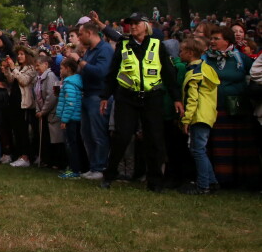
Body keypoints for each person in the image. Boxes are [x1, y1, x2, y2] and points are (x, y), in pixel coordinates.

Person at [100, 12, 183, 192]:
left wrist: (176, 98)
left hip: (152, 96)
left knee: (154, 137)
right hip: (127, 96)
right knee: (122, 136)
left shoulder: (157, 45)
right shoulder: (122, 45)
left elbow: (168, 73)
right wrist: (105, 96)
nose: (133, 26)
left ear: (146, 25)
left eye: (137, 23)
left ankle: (155, 181)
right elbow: (113, 72)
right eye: (131, 24)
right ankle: (109, 174)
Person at [204, 26, 260, 189]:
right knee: (218, 145)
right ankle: (221, 179)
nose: (212, 42)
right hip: (215, 108)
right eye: (211, 39)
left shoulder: (241, 58)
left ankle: (244, 180)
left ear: (227, 41)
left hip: (238, 109)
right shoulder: (206, 58)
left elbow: (254, 76)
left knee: (240, 146)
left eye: (216, 39)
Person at [65, 21, 114, 180]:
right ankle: (93, 166)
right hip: (87, 95)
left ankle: (100, 167)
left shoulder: (104, 49)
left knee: (98, 133)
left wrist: (79, 60)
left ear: (90, 33)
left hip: (99, 96)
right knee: (86, 134)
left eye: (80, 34)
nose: (79, 37)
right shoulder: (90, 51)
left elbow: (101, 72)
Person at [179, 37, 220, 194]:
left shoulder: (194, 73)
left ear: (190, 53)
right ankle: (212, 181)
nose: (179, 54)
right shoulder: (206, 68)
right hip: (208, 114)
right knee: (200, 149)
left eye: (182, 51)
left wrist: (186, 119)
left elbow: (192, 99)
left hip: (198, 115)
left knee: (197, 150)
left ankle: (203, 186)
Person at [3, 46, 37, 167]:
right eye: (18, 54)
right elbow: (11, 80)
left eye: (22, 54)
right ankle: (19, 155)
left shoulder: (31, 68)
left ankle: (26, 156)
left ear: (27, 56)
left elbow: (23, 81)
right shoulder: (18, 67)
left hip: (25, 103)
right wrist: (7, 70)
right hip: (14, 102)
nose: (19, 56)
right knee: (16, 130)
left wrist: (13, 68)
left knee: (24, 131)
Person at [56, 58, 83, 179]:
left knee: (71, 145)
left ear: (68, 69)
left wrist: (64, 120)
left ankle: (75, 169)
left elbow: (70, 103)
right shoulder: (71, 82)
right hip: (73, 118)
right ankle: (73, 167)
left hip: (71, 119)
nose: (60, 70)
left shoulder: (70, 84)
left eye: (61, 68)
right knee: (72, 144)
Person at [34, 54, 63, 169]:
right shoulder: (39, 77)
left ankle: (56, 162)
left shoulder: (50, 76)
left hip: (51, 113)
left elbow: (51, 96)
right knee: (45, 138)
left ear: (45, 64)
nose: (36, 68)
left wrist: (43, 111)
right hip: (42, 112)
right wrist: (38, 109)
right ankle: (47, 160)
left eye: (38, 65)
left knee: (55, 139)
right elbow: (37, 94)